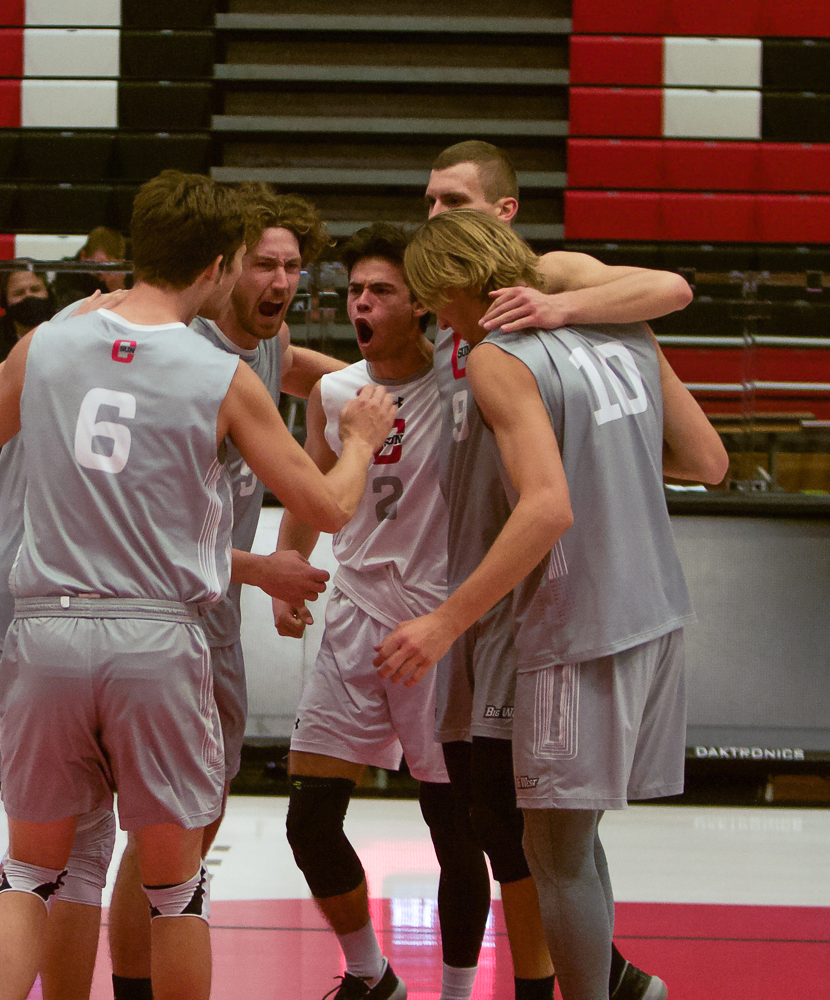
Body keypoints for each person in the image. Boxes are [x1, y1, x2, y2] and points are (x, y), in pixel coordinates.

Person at [0, 170, 395, 1000]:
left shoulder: (54, 339)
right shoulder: (218, 374)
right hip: (155, 635)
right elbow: (328, 508)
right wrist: (364, 438)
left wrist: (40, 342)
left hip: (46, 628)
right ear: (219, 266)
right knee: (176, 891)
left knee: (28, 876)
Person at [379, 209, 726, 1000]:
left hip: (578, 622)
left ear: (458, 286)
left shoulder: (499, 357)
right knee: (573, 838)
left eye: (439, 304)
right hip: (657, 613)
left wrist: (443, 621)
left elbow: (545, 511)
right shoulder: (624, 330)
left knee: (552, 852)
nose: (442, 322)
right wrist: (613, 455)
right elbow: (708, 459)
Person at [106, 183, 347, 1000]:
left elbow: (318, 378)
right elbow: (147, 524)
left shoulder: (267, 349)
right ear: (221, 269)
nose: (281, 281)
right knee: (160, 832)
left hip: (212, 615)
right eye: (263, 265)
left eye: (293, 267)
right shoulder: (186, 353)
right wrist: (266, 568)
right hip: (155, 610)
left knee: (193, 822)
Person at [273, 225, 491, 1000]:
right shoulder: (336, 394)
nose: (362, 303)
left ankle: (460, 993)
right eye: (355, 292)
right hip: (356, 615)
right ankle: (370, 976)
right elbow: (314, 481)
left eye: (381, 291)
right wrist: (286, 573)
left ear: (421, 306)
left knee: (454, 829)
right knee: (309, 820)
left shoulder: (467, 385)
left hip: (435, 626)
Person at [0, 268, 55, 379]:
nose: (28, 296)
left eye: (35, 290)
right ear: (4, 301)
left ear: (49, 293)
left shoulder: (66, 326)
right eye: (19, 293)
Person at [51, 225, 129, 305]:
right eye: (100, 267)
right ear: (84, 256)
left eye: (110, 268)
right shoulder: (67, 272)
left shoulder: (126, 275)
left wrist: (117, 288)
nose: (104, 275)